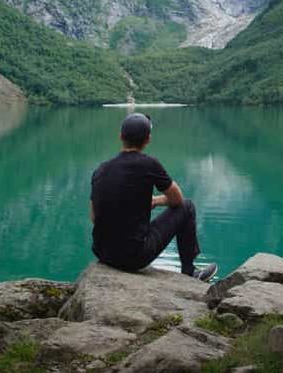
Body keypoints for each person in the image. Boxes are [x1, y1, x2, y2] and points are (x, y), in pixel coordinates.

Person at [90, 113, 217, 281]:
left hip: (102, 253)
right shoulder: (149, 164)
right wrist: (156, 201)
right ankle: (189, 272)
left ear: (121, 136)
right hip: (134, 257)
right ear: (148, 139)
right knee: (187, 207)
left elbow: (93, 217)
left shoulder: (101, 169)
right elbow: (177, 199)